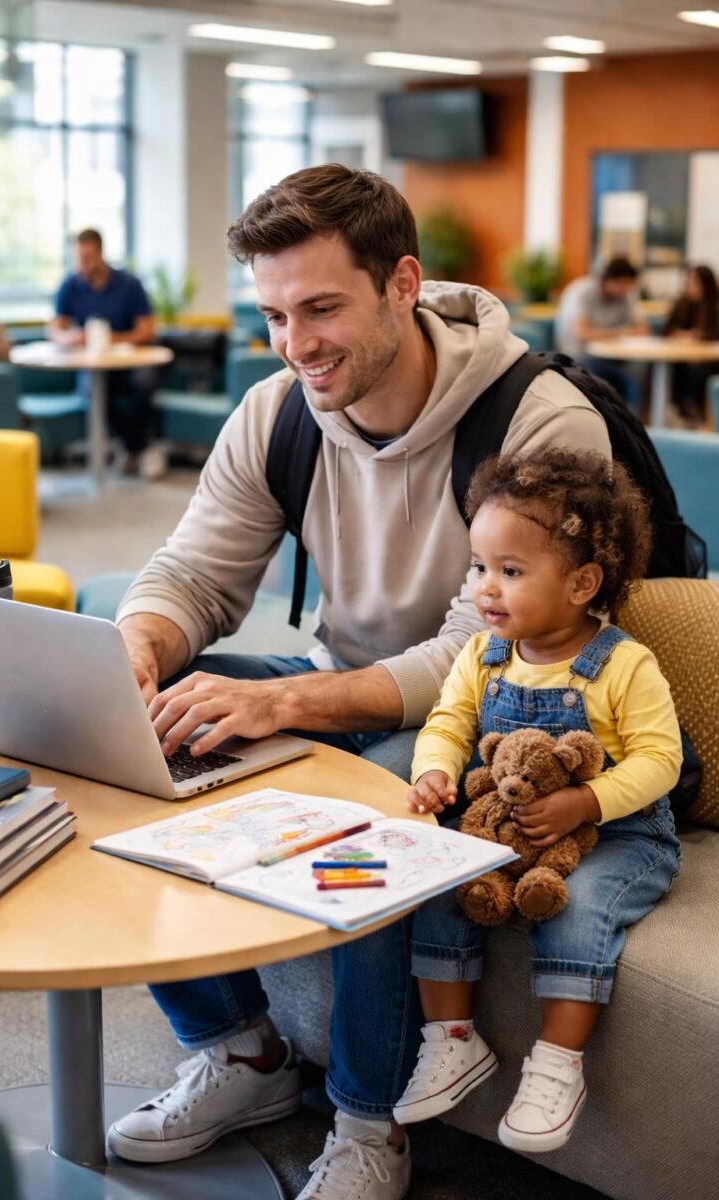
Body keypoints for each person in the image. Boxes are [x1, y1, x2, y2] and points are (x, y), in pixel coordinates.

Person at [109, 165, 611, 1200]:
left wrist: (285, 702)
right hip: (343, 676)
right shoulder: (277, 411)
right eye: (274, 314)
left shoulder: (539, 420)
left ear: (401, 285)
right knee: (130, 728)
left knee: (383, 798)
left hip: (499, 711)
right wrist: (140, 647)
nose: (297, 344)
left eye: (321, 307)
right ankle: (239, 1051)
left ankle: (367, 1123)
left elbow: (485, 648)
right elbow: (194, 572)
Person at [397, 447, 681, 1153]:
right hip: (507, 823)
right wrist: (433, 772)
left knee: (575, 909)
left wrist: (586, 801)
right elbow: (449, 723)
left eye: (511, 572)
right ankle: (453, 1038)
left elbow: (660, 760)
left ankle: (557, 1063)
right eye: (479, 567)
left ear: (583, 582)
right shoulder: (485, 653)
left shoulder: (622, 664)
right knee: (436, 884)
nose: (486, 589)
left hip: (621, 834)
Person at [48, 228, 166, 480]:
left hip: (132, 361)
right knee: (94, 388)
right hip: (96, 363)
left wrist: (112, 339)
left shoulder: (129, 284)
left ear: (101, 254)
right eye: (78, 257)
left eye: (88, 256)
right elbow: (55, 327)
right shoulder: (71, 285)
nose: (83, 263)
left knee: (143, 383)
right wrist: (69, 337)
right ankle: (139, 447)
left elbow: (146, 330)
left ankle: (132, 448)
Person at [555, 257, 647, 408]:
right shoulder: (581, 292)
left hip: (616, 356)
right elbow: (583, 334)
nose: (625, 289)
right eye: (622, 284)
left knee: (639, 372)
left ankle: (631, 422)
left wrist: (605, 334)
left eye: (629, 284)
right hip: (580, 355)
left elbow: (643, 329)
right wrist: (622, 332)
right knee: (605, 375)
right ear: (607, 279)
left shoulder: (627, 294)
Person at [663, 264, 719, 423]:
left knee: (699, 372)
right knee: (676, 368)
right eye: (689, 281)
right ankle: (681, 412)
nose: (691, 285)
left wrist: (698, 336)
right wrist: (680, 335)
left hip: (710, 359)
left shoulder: (714, 305)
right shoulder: (682, 303)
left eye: (695, 281)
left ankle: (699, 414)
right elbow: (668, 330)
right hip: (682, 357)